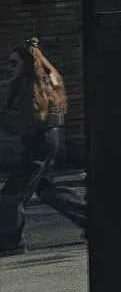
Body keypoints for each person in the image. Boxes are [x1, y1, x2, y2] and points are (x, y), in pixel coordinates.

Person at [0, 37, 86, 252]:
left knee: (12, 195)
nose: (10, 67)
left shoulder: (29, 84)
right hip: (50, 138)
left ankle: (10, 242)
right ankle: (95, 222)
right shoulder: (49, 77)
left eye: (14, 63)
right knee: (47, 189)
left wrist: (6, 120)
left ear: (26, 63)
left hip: (38, 142)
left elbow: (28, 118)